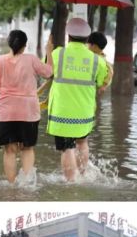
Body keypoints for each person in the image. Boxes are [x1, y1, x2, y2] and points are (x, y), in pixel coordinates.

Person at [0, 30, 53, 184]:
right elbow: (49, 73)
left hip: (6, 112)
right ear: (25, 45)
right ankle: (27, 184)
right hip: (28, 112)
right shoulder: (31, 60)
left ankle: (11, 186)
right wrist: (49, 52)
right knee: (27, 148)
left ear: (9, 43)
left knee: (9, 150)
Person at [46, 17, 108, 180]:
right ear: (86, 38)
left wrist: (48, 51)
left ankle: (71, 183)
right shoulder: (98, 60)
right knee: (82, 143)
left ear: (68, 36)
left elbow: (46, 72)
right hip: (84, 111)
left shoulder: (57, 53)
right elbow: (101, 83)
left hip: (62, 112)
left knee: (67, 148)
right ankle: (83, 176)